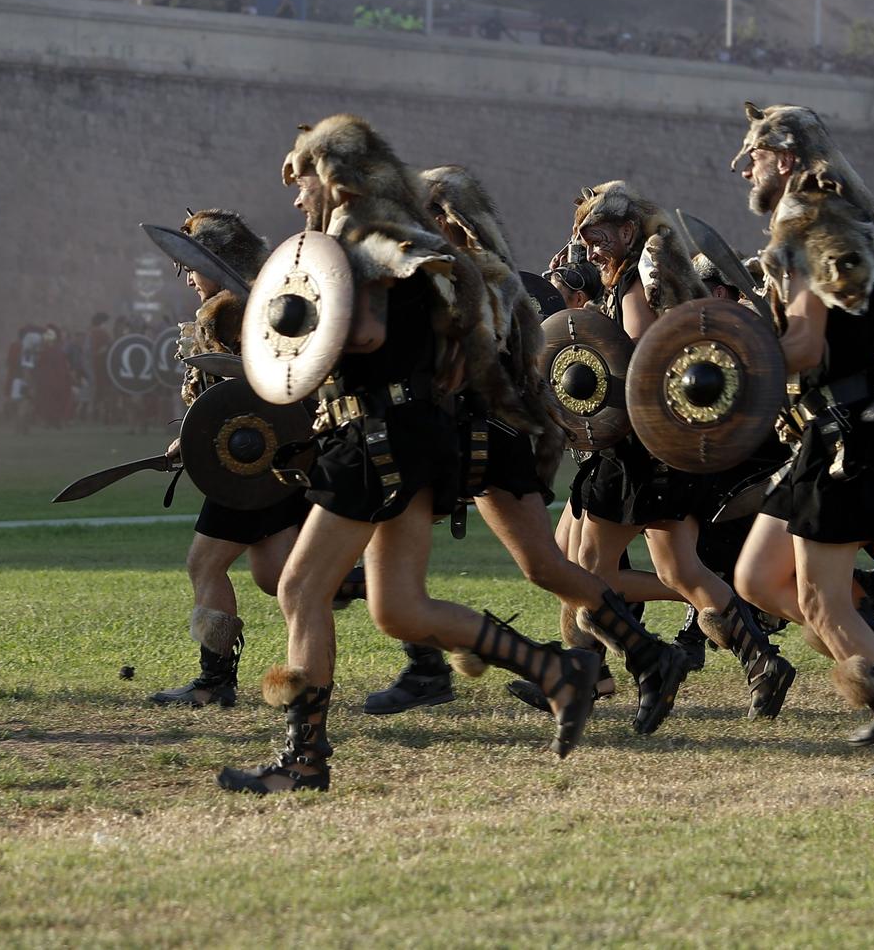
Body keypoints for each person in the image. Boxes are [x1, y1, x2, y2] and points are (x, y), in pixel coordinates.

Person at [218, 116, 600, 793]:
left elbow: (362, 332)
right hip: (405, 433)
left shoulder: (359, 237)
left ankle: (303, 758)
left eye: (303, 180)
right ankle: (555, 670)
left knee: (300, 587)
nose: (297, 197)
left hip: (375, 436)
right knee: (398, 608)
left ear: (332, 175)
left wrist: (294, 325)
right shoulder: (399, 236)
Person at [362, 167, 693, 732]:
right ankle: (640, 656)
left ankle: (633, 656)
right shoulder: (442, 272)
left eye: (431, 213)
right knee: (542, 566)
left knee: (545, 566)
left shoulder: (484, 277)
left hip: (495, 436)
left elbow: (491, 365)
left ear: (453, 217)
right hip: (462, 433)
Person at [731, 105, 874, 774]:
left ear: (782, 154)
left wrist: (741, 349)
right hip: (833, 432)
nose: (746, 168)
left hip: (842, 436)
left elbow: (804, 344)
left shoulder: (807, 220)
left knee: (820, 602)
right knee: (753, 577)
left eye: (752, 155)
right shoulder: (838, 216)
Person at [566, 180, 796, 719]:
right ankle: (760, 660)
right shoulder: (620, 278)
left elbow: (641, 360)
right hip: (652, 452)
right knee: (679, 571)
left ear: (627, 231)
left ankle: (653, 663)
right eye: (586, 240)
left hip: (641, 455)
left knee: (591, 572)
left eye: (598, 238)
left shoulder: (632, 286)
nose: (591, 249)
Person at [148, 211, 310, 709]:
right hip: (273, 463)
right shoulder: (262, 299)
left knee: (204, 563)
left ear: (215, 261)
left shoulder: (237, 308)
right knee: (281, 576)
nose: (191, 279)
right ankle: (412, 631)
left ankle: (214, 681)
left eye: (192, 268)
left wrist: (204, 441)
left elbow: (251, 396)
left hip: (251, 465)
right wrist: (191, 440)